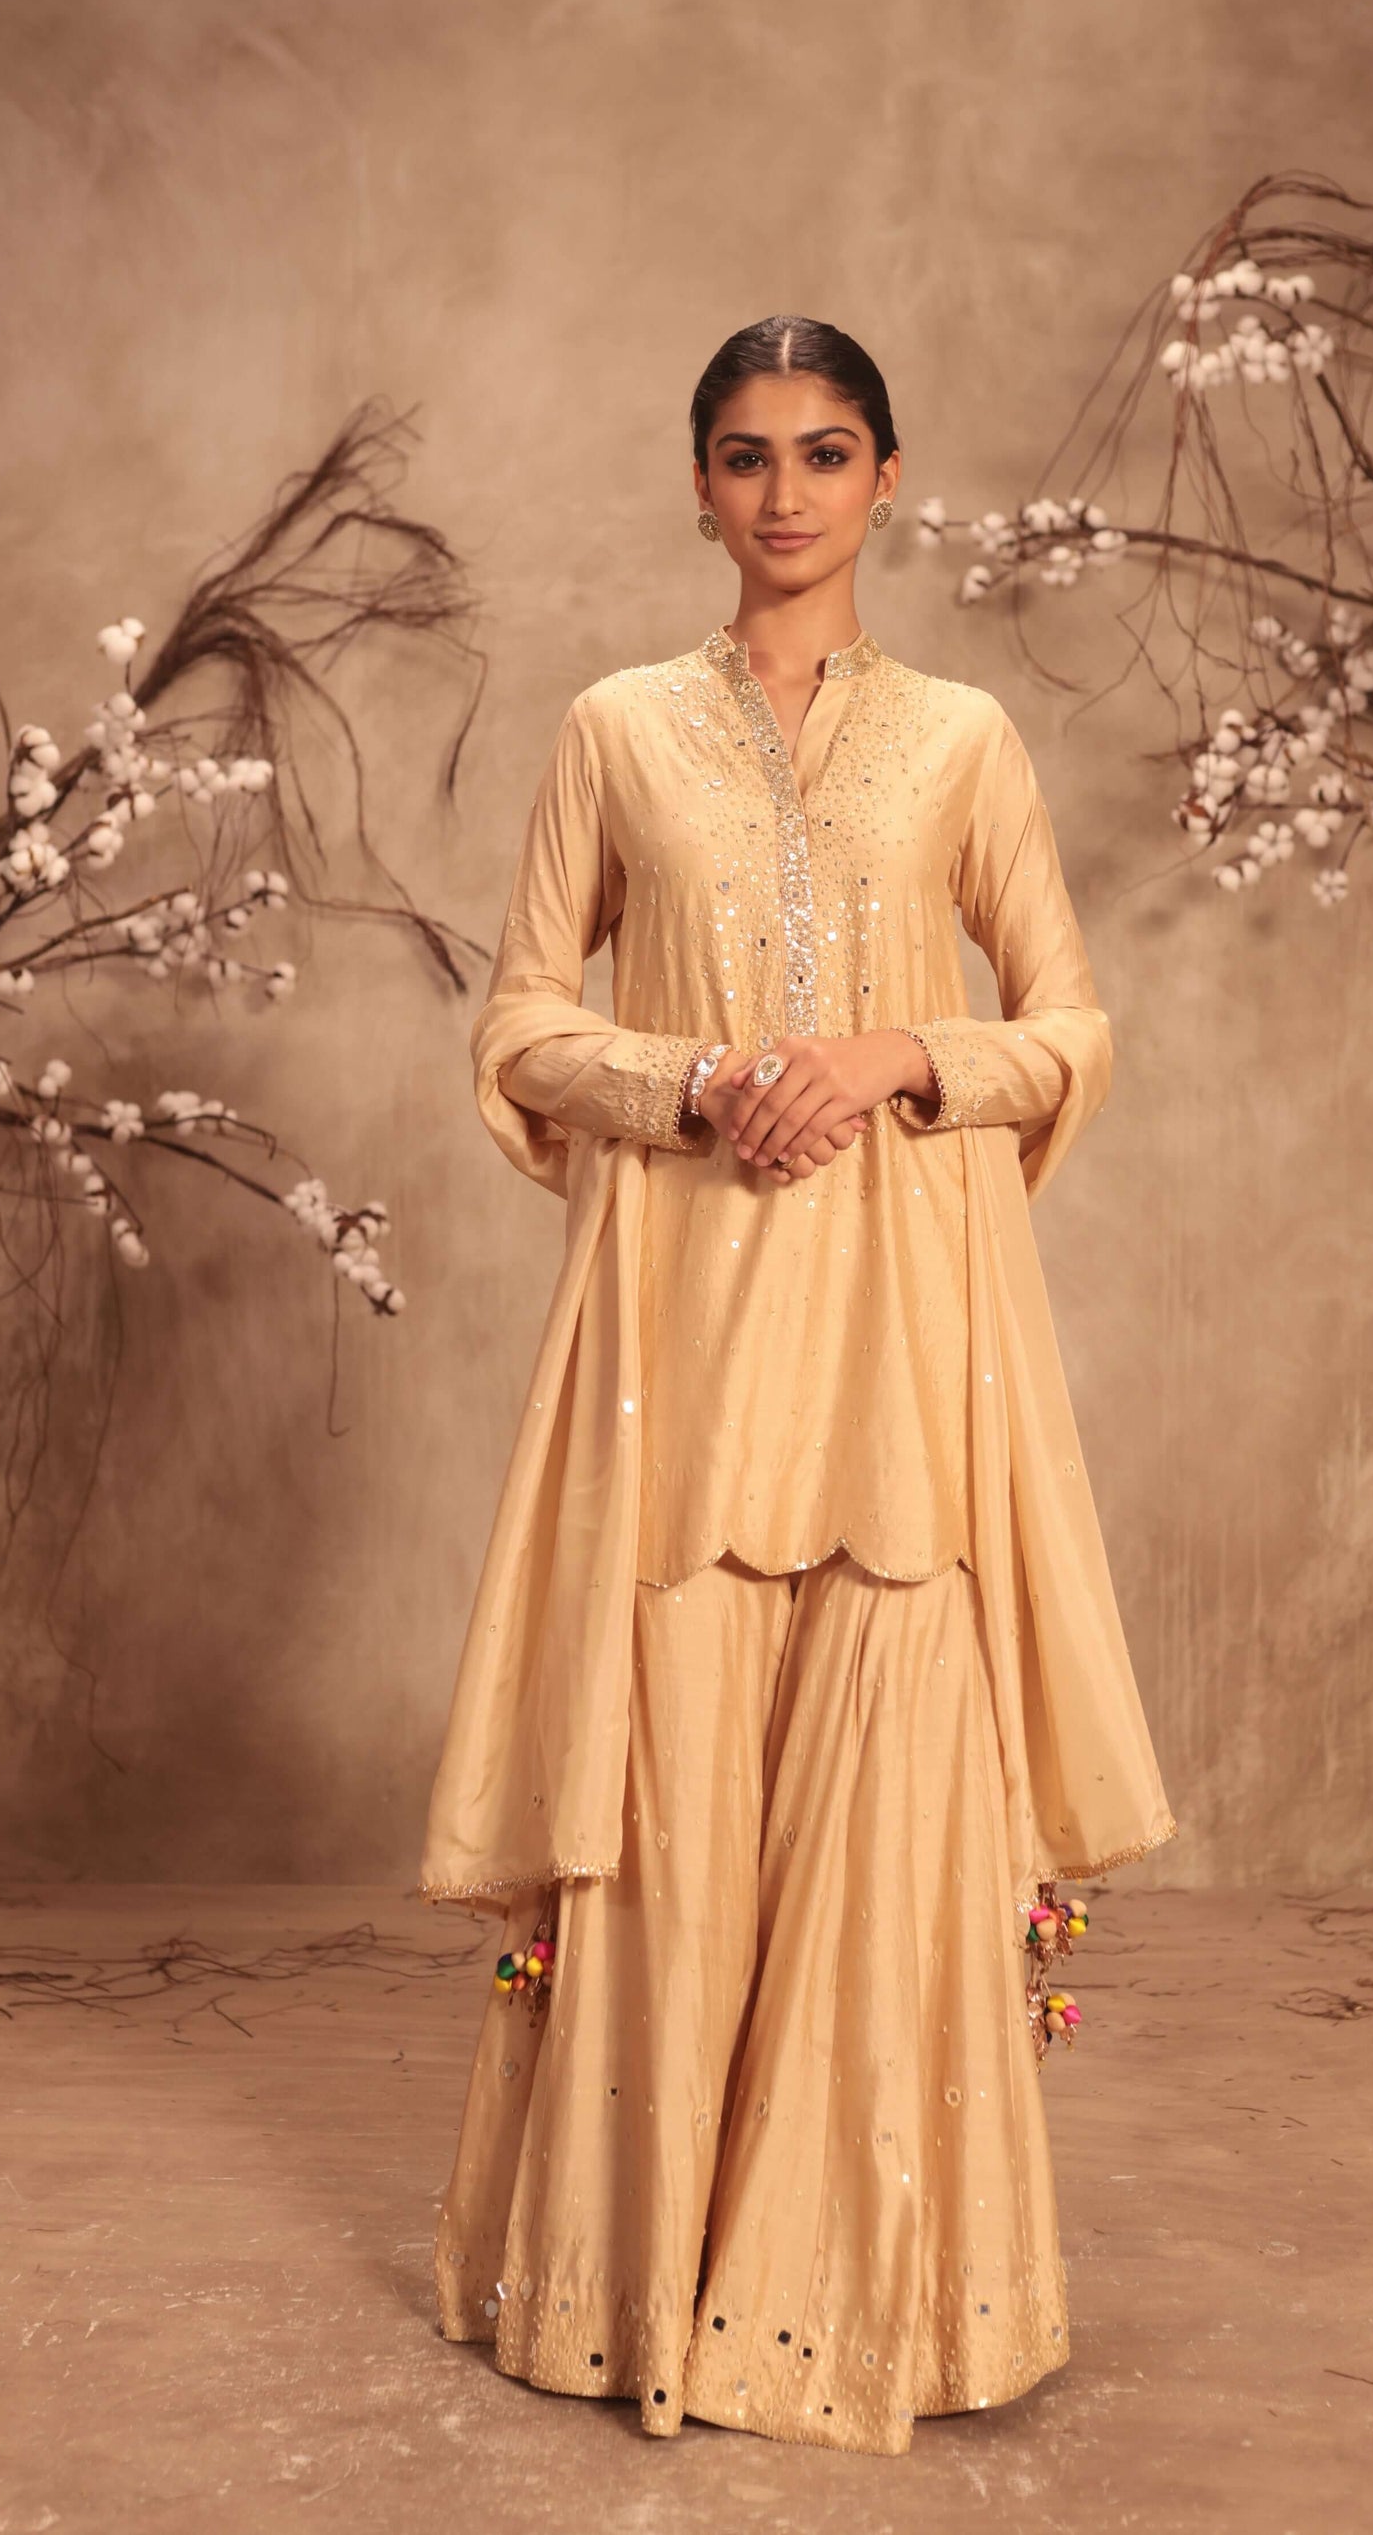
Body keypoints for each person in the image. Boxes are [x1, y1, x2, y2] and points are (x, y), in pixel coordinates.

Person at [420, 315, 1176, 2456]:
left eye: (822, 453)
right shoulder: (613, 732)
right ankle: (630, 2287)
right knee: (666, 1771)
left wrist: (897, 1054)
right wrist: (694, 1078)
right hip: (677, 1335)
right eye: (743, 455)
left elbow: (1072, 1028)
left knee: (888, 1770)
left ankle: (878, 2300)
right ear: (698, 485)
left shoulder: (958, 740)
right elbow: (515, 1029)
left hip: (900, 1347)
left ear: (885, 475)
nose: (782, 492)